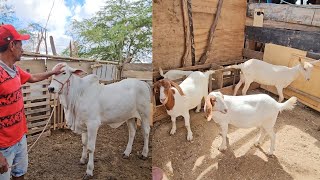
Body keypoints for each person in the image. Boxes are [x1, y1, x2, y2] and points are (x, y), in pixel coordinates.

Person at [0, 24, 64, 180]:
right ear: (11, 45)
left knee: (20, 174)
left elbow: (33, 78)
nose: (23, 48)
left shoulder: (15, 70)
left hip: (20, 137)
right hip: (3, 146)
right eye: (20, 44)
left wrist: (53, 72)